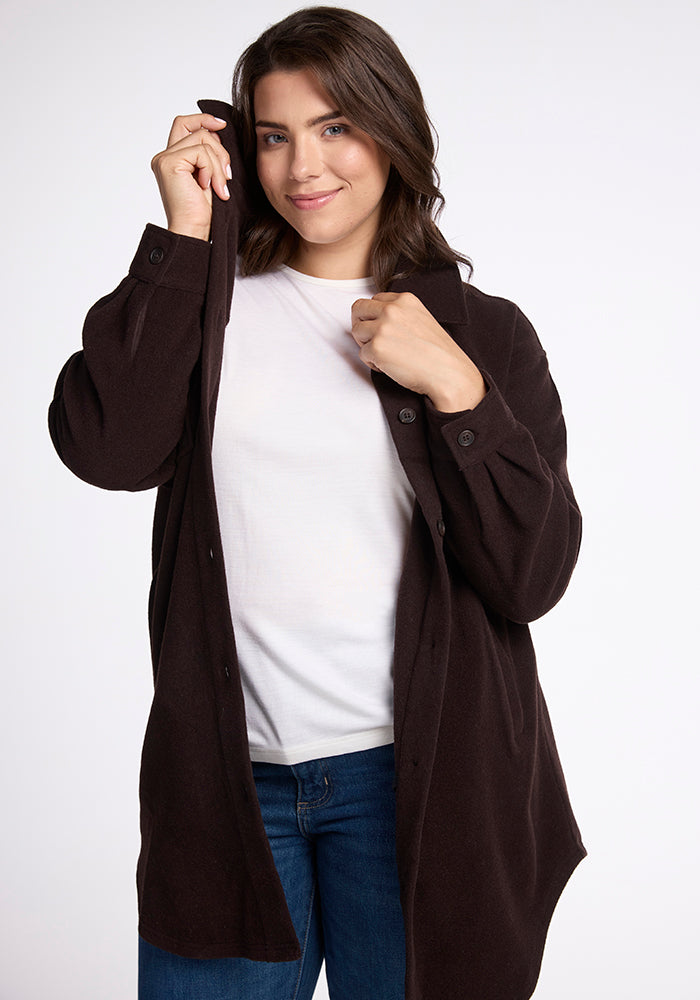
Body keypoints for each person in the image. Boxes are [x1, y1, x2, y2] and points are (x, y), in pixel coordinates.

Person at [49, 7, 585, 999]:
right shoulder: (206, 308)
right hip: (225, 790)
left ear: (391, 132)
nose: (305, 165)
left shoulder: (480, 335)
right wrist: (182, 236)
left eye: (336, 126)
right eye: (274, 134)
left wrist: (458, 391)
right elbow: (108, 450)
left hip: (419, 789)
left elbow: (531, 574)